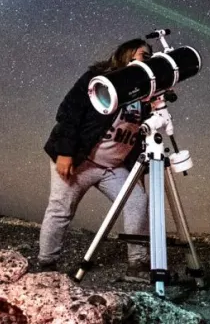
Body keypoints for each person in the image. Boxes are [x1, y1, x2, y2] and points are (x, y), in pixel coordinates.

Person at [37, 38, 156, 282]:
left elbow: (142, 136)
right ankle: (46, 264)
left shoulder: (146, 91)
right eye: (144, 54)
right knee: (61, 210)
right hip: (81, 160)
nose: (149, 59)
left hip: (114, 167)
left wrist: (137, 172)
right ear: (127, 54)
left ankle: (138, 263)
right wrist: (65, 152)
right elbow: (69, 112)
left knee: (137, 202)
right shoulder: (99, 78)